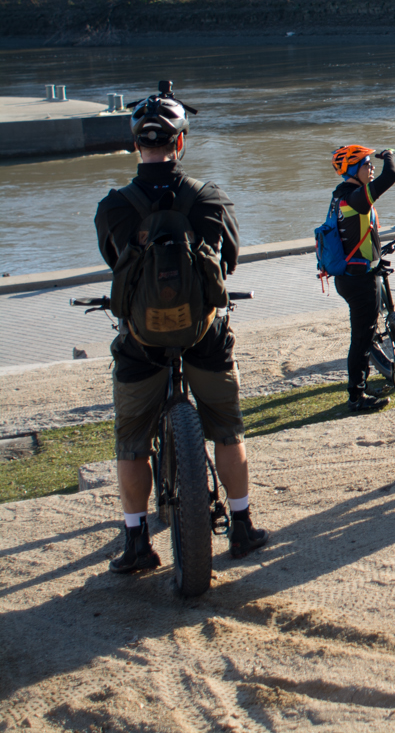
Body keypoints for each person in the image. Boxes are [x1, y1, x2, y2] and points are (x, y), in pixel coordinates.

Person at [94, 83, 268, 574]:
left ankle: (136, 542)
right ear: (181, 142)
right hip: (202, 334)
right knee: (228, 430)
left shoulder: (114, 206)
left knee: (132, 441)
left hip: (142, 342)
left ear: (135, 145)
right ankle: (241, 526)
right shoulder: (210, 198)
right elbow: (228, 262)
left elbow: (112, 261)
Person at [330, 143, 395, 411]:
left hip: (350, 275)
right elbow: (390, 176)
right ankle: (356, 397)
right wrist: (388, 155)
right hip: (359, 280)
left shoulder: (341, 195)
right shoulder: (356, 198)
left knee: (365, 335)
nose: (371, 168)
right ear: (353, 170)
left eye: (372, 163)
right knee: (361, 338)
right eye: (367, 164)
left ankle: (362, 385)